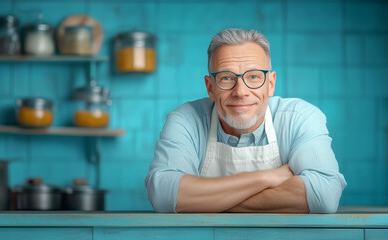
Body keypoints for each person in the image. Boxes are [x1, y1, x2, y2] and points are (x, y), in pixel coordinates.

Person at [144, 28, 346, 213]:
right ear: (210, 87)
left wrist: (206, 201)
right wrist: (267, 177)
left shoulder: (300, 118)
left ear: (270, 84)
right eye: (226, 78)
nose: (240, 92)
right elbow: (164, 194)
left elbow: (324, 195)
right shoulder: (186, 120)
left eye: (254, 77)